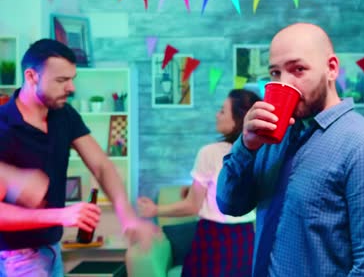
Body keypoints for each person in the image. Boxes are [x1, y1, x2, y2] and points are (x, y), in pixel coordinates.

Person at [216, 23, 364, 276]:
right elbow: (230, 204)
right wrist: (246, 146)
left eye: (298, 69)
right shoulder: (274, 137)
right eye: (275, 73)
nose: (285, 83)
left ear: (331, 69)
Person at [0, 39, 158, 277]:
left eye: (72, 79)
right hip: (16, 256)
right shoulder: (4, 126)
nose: (71, 88)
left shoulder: (63, 114)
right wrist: (60, 215)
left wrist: (127, 216)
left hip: (51, 248)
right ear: (32, 76)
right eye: (62, 80)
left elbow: (102, 166)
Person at [136, 89, 260, 277]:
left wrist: (155, 210)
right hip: (245, 237)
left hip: (214, 237)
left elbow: (192, 206)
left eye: (222, 111)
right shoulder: (264, 152)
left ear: (239, 119)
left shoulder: (210, 152)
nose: (217, 115)